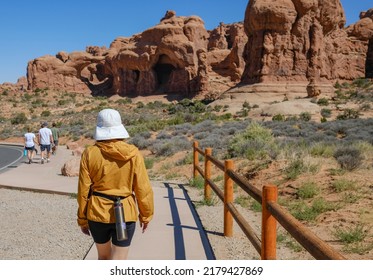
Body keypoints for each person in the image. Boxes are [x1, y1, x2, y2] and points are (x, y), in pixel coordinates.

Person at [77, 108, 154, 260]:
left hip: (97, 212)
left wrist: (82, 219)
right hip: (126, 211)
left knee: (103, 257)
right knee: (119, 260)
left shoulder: (89, 153)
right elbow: (143, 188)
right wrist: (146, 215)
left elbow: (83, 190)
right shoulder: (133, 153)